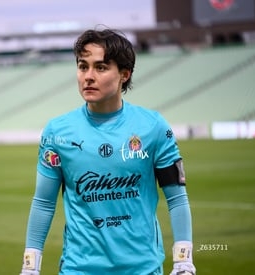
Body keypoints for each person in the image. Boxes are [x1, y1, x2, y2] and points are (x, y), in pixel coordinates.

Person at [19, 29, 196, 275]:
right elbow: (44, 203)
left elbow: (176, 198)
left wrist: (183, 261)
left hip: (142, 269)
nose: (88, 76)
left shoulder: (153, 127)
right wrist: (30, 267)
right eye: (83, 67)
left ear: (125, 74)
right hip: (78, 269)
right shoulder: (57, 132)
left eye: (100, 68)